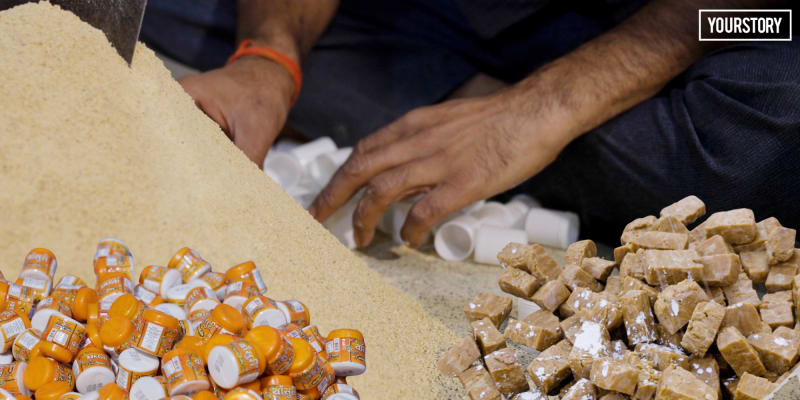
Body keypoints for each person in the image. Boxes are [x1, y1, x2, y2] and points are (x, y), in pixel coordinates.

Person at [141, 0, 800, 248]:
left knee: (770, 133)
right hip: (436, 12)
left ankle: (470, 113)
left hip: (691, 21)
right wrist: (272, 53)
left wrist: (547, 104)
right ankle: (459, 114)